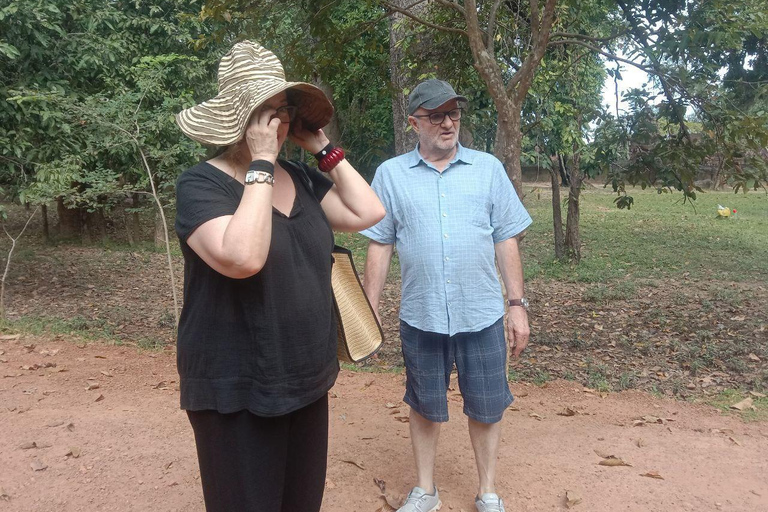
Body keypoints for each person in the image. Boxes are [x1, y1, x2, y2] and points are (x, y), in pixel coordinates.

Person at [173, 41, 385, 512]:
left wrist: (322, 146)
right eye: (266, 112)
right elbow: (243, 256)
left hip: (306, 379)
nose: (279, 123)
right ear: (239, 120)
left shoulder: (301, 177)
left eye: (284, 110)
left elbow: (368, 211)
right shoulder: (200, 185)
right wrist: (263, 163)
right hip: (236, 389)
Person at [361, 79, 532, 512]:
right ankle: (426, 490)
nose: (448, 123)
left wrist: (517, 307)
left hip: (482, 313)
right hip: (422, 315)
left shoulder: (488, 169)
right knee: (423, 404)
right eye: (436, 115)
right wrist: (370, 308)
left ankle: (488, 491)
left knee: (489, 406)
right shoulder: (391, 175)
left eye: (453, 114)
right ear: (413, 122)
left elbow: (506, 238)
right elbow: (380, 243)